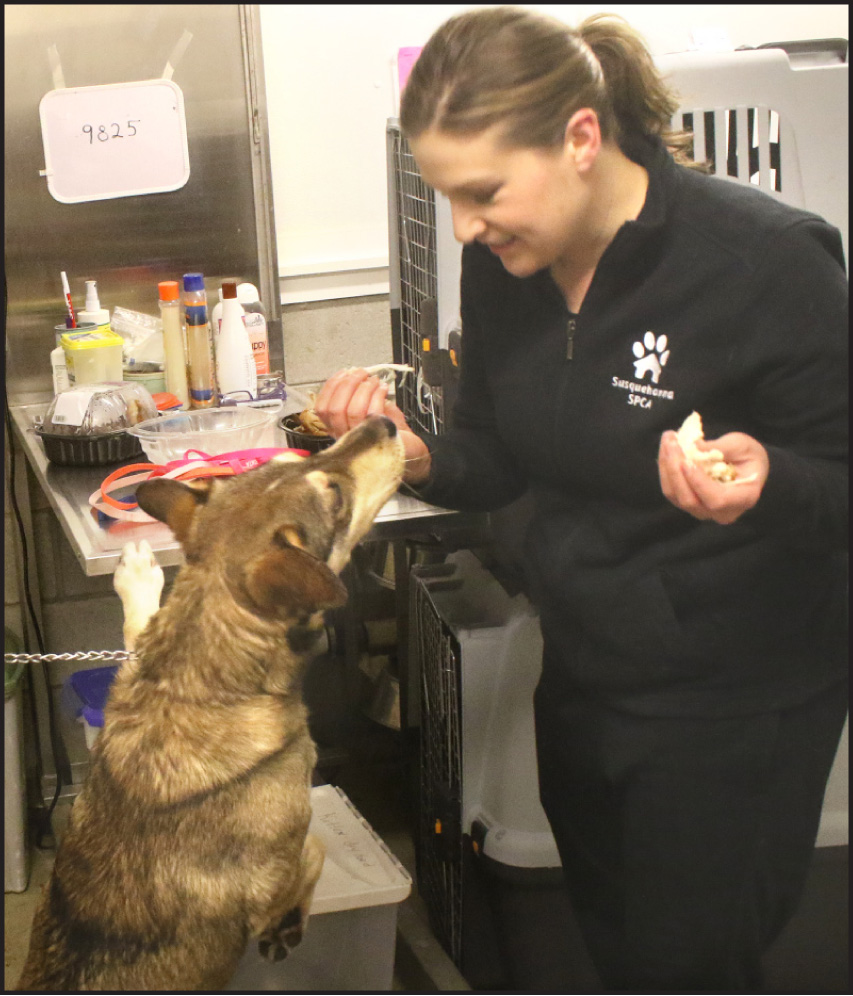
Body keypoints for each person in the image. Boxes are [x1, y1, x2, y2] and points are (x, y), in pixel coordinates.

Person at [315, 7, 848, 992]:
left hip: (733, 701)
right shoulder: (503, 268)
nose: (464, 226)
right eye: (447, 196)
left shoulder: (765, 263)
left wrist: (767, 480)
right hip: (585, 675)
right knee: (617, 949)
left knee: (687, 967)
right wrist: (418, 457)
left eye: (482, 193)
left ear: (581, 138)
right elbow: (498, 457)